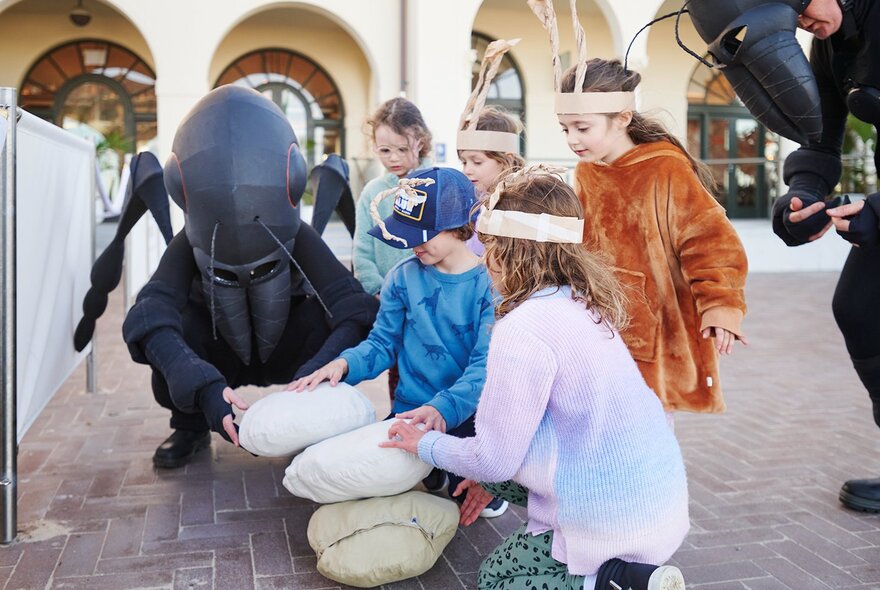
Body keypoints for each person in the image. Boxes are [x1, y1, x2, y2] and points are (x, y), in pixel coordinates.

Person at [381, 166, 689, 590]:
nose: (483, 256)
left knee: (495, 579)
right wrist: (492, 477)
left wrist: (425, 444)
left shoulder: (522, 328)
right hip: (656, 504)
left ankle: (608, 580)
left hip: (608, 521)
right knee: (493, 481)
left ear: (510, 252)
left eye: (488, 244)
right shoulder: (579, 302)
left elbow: (493, 457)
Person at [76, 86, 379, 468]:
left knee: (327, 317)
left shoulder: (297, 237)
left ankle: (312, 427)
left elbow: (354, 309)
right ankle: (190, 425)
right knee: (175, 325)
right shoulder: (191, 242)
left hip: (290, 349)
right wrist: (201, 385)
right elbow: (149, 316)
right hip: (218, 350)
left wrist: (311, 380)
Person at [687, 0, 880, 511]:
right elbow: (822, 141)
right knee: (859, 308)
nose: (803, 22)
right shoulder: (831, 43)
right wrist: (801, 196)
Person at [291, 166, 508, 518]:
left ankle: (459, 472)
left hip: (466, 416)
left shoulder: (491, 286)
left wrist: (442, 411)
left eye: (420, 234)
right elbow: (381, 343)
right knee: (366, 474)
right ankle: (432, 467)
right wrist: (343, 364)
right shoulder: (402, 277)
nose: (410, 244)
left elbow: (484, 368)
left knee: (468, 496)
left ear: (458, 226)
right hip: (410, 408)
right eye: (404, 233)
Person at [458, 106, 525, 256]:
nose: (467, 170)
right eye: (464, 162)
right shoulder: (476, 198)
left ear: (506, 160)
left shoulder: (520, 204)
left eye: (477, 162)